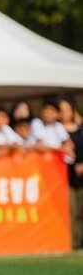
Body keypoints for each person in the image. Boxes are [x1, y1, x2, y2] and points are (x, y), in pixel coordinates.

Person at [58, 97, 83, 249]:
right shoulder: (56, 130)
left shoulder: (81, 129)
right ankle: (75, 243)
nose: (64, 113)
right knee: (72, 213)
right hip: (65, 177)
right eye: (60, 110)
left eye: (66, 109)